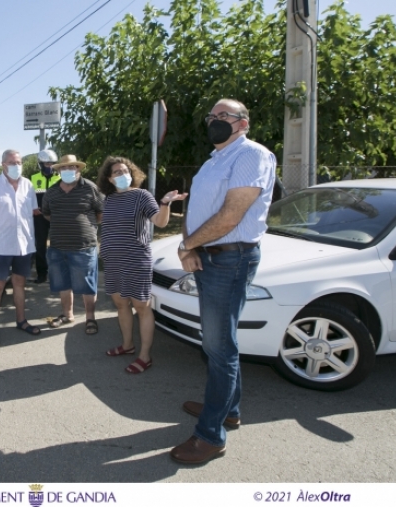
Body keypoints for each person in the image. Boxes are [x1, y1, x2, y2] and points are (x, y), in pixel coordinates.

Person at [169, 99, 276, 464]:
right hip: (209, 255)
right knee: (217, 342)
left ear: (242, 123)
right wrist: (188, 246)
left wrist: (187, 244)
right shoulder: (214, 160)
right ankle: (228, 409)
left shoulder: (251, 155)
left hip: (231, 257)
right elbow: (196, 209)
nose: (215, 121)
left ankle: (211, 435)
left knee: (219, 346)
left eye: (223, 116)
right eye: (211, 117)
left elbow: (231, 215)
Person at [96, 156, 187, 373]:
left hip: (136, 260)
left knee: (141, 307)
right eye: (116, 172)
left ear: (132, 173)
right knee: (120, 304)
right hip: (113, 260)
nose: (122, 174)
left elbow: (161, 222)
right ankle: (127, 345)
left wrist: (165, 203)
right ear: (109, 178)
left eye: (125, 170)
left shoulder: (141, 196)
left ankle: (144, 356)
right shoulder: (108, 200)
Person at [0, 149, 41, 346]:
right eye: (12, 163)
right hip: (1, 246)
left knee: (20, 283)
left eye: (19, 162)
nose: (17, 166)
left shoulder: (28, 185)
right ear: (3, 165)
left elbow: (33, 212)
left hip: (24, 245)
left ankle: (21, 321)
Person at [41, 154, 104, 334]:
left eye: (72, 167)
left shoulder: (91, 188)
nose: (69, 171)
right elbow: (47, 214)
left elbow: (101, 213)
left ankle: (90, 318)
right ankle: (67, 314)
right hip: (57, 247)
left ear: (78, 169)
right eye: (64, 168)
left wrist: (85, 226)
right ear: (59, 170)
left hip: (84, 246)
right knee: (62, 283)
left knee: (88, 284)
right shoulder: (52, 192)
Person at [30, 149, 61, 283]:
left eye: (52, 163)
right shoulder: (33, 178)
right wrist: (33, 208)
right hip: (39, 217)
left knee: (57, 246)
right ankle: (41, 274)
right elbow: (29, 198)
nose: (49, 166)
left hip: (56, 217)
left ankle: (57, 274)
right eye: (46, 164)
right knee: (40, 245)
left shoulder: (60, 178)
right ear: (41, 164)